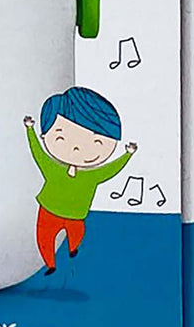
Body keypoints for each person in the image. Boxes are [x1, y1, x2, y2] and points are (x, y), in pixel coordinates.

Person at [24, 87, 137, 274]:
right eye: (61, 137)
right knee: (44, 237)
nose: (76, 148)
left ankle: (73, 248)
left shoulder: (91, 175)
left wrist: (127, 155)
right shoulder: (53, 169)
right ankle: (50, 264)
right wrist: (30, 130)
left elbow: (111, 169)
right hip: (49, 210)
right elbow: (38, 153)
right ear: (46, 136)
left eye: (97, 142)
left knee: (76, 233)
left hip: (76, 214)